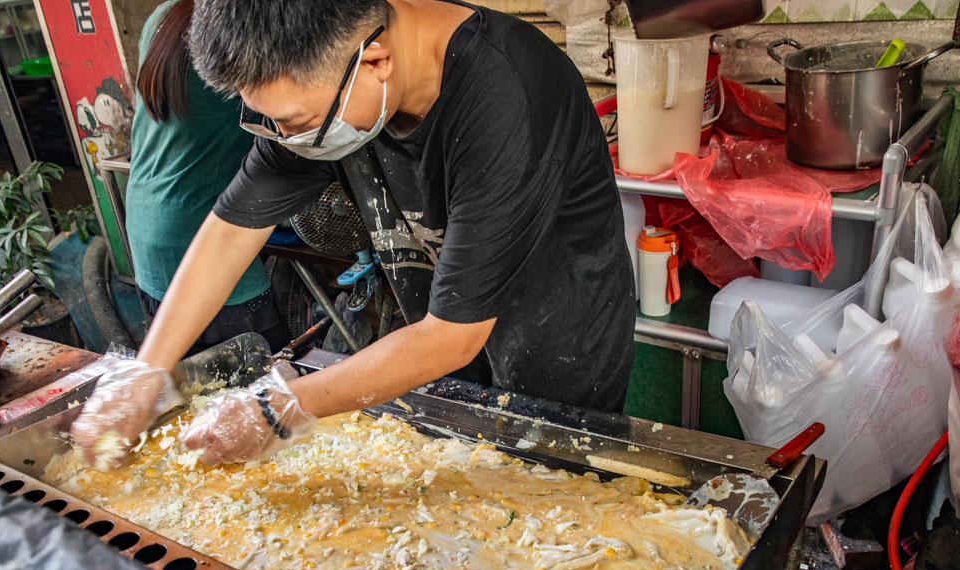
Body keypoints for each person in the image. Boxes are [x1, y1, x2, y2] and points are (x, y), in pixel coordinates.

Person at [72, 0, 633, 468]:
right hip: (442, 352)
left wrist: (277, 408)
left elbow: (450, 337)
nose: (283, 137)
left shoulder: (508, 90)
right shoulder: (325, 77)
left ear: (376, 60)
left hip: (556, 354)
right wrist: (146, 371)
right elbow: (230, 228)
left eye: (293, 122)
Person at [127, 0, 290, 355]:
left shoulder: (163, 16)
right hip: (198, 226)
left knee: (193, 384)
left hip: (146, 224)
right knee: (265, 379)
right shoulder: (238, 28)